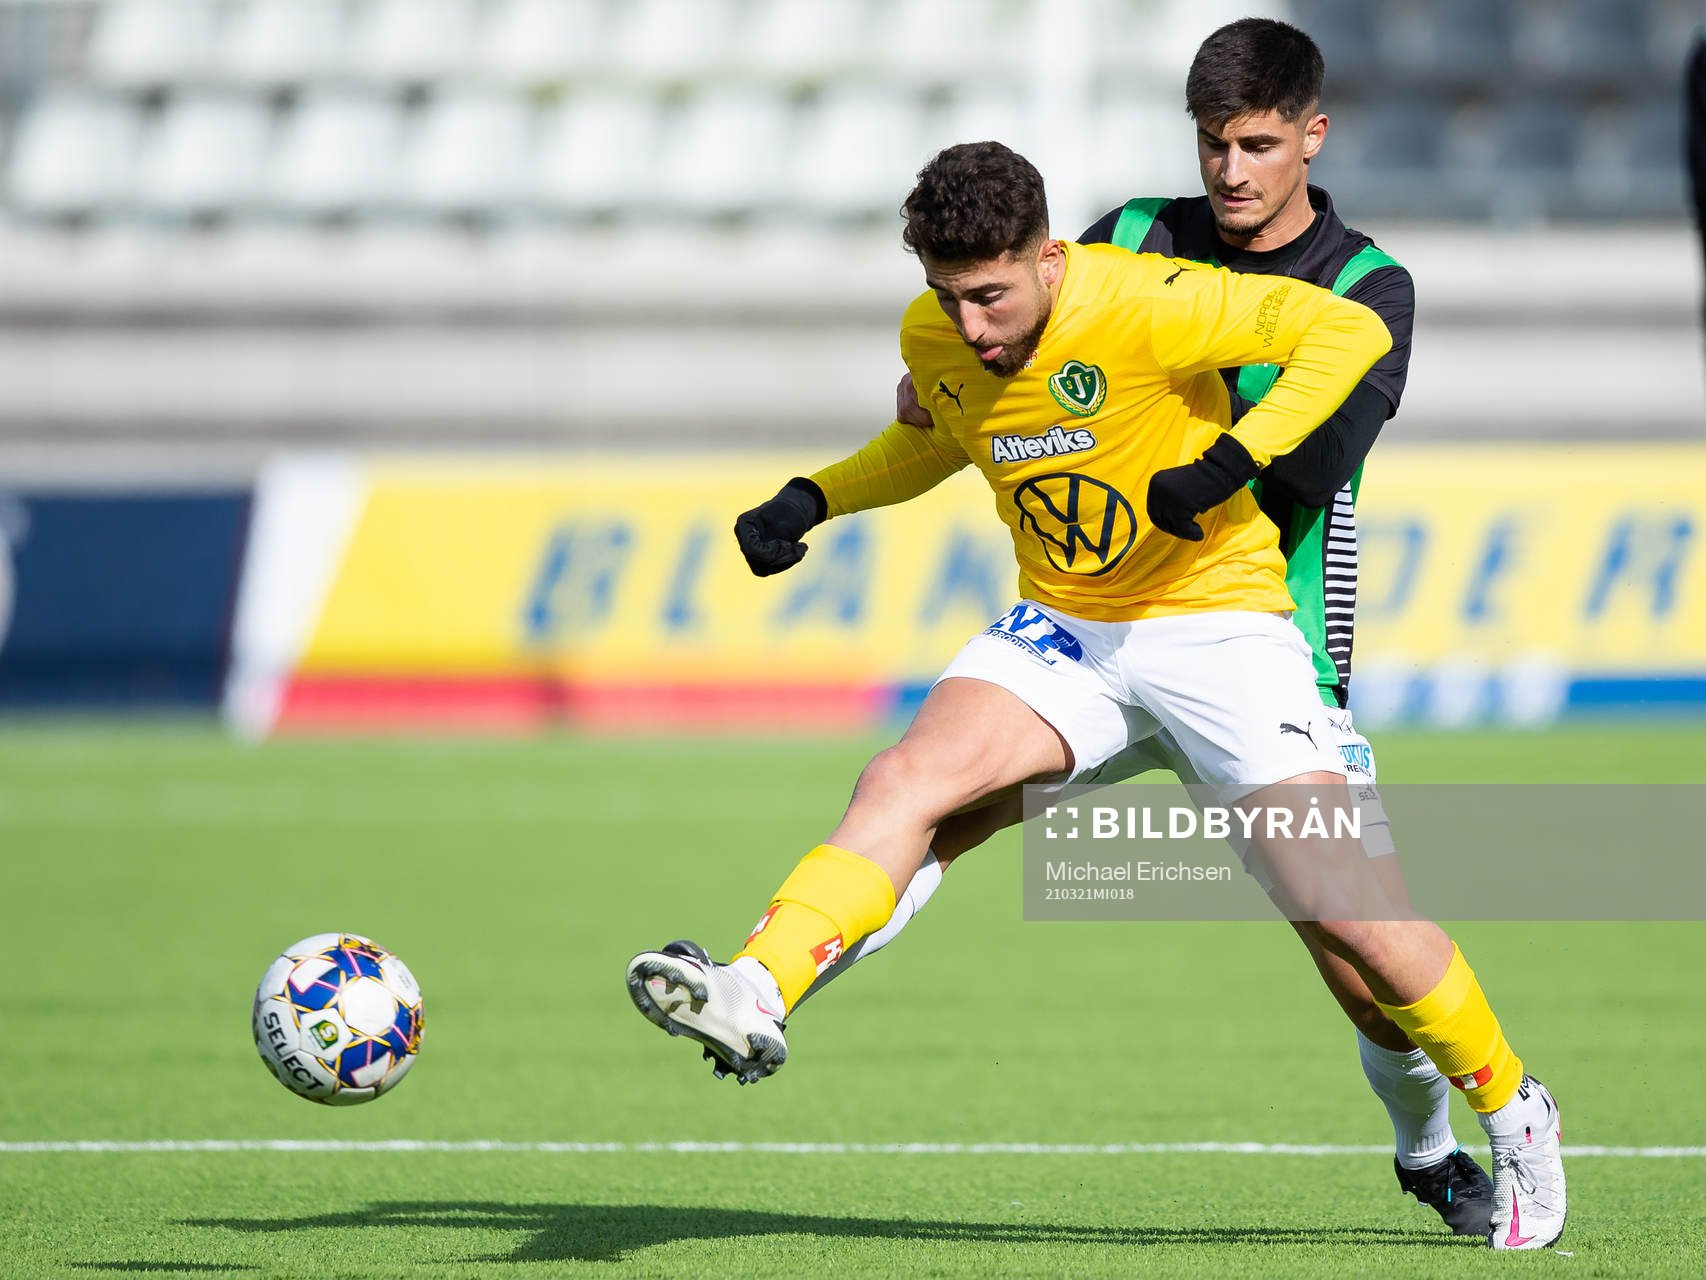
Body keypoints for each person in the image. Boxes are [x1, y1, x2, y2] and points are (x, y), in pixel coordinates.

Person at [626, 136, 1565, 1251]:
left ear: (1048, 258)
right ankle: (752, 987)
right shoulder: (937, 333)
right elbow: (940, 439)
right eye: (945, 295)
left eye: (989, 295)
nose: (970, 325)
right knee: (906, 781)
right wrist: (811, 497)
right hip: (1067, 630)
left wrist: (1230, 463)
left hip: (1216, 625)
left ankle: (1512, 1110)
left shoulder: (1149, 302)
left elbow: (1349, 332)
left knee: (1348, 913)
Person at [803, 17, 1499, 1239]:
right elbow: (1008, 361)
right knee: (931, 808)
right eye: (1210, 144)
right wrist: (972, 380)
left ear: (1308, 138)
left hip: (1258, 628)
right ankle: (764, 984)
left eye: (1255, 144)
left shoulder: (1364, 285)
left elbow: (1316, 454)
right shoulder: (1127, 234)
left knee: (1353, 952)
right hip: (1087, 637)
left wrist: (1144, 388)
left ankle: (1427, 1144)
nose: (1228, 171)